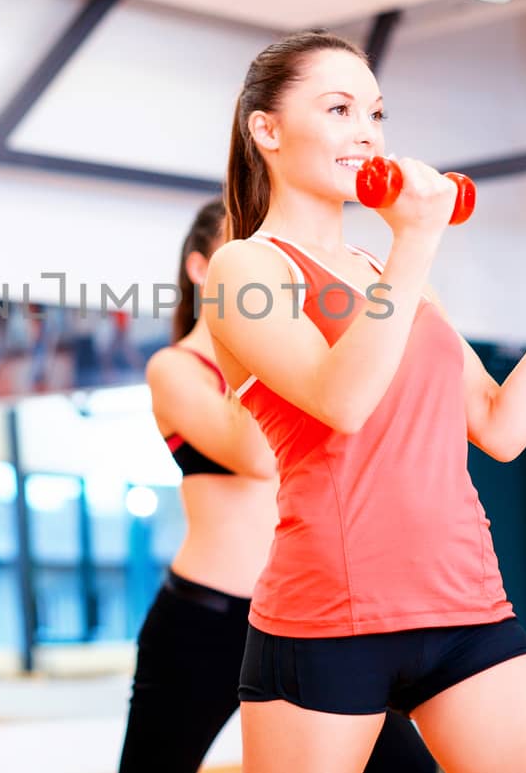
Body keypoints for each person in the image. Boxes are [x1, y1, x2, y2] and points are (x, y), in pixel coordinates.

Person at [204, 31, 526, 773]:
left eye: (375, 113)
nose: (366, 133)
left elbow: (502, 425)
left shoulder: (397, 272)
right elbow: (342, 399)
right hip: (328, 621)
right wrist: (414, 240)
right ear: (266, 130)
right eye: (338, 109)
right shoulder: (244, 268)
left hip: (465, 605)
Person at [117, 199, 436, 773]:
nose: (265, 265)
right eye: (242, 250)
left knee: (407, 766)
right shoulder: (173, 368)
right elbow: (254, 457)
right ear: (201, 270)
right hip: (205, 619)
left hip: (307, 615)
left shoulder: (306, 360)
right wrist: (254, 339)